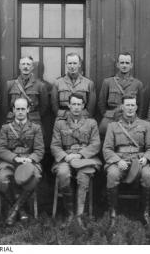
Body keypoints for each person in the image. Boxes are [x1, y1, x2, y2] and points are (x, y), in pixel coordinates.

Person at [51, 93, 101, 229]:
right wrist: (65, 156)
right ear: (69, 105)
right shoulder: (60, 122)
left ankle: (79, 216)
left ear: (83, 106)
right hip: (65, 158)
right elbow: (55, 145)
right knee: (63, 174)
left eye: (79, 104)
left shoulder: (91, 123)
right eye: (74, 104)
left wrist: (80, 155)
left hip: (84, 159)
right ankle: (69, 214)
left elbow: (95, 144)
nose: (76, 107)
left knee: (83, 176)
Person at [103, 94, 150, 226]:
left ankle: (145, 213)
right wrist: (117, 161)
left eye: (133, 105)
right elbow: (107, 149)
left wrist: (146, 158)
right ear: (122, 107)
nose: (130, 108)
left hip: (139, 161)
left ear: (136, 107)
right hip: (120, 161)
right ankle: (113, 214)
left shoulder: (145, 125)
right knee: (112, 174)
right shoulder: (113, 126)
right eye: (127, 105)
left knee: (147, 174)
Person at [0, 98, 44, 226]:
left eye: (23, 109)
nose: (20, 112)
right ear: (13, 110)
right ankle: (20, 210)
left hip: (29, 161)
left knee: (35, 177)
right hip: (9, 161)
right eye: (18, 109)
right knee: (2, 179)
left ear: (28, 109)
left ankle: (14, 210)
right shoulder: (6, 128)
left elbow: (39, 150)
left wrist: (30, 159)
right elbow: (0, 149)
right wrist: (15, 158)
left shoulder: (35, 128)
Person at [98, 52, 144, 137]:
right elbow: (101, 103)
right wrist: (108, 115)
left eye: (127, 63)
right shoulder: (108, 82)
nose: (124, 65)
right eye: (122, 63)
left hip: (130, 120)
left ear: (131, 65)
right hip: (112, 119)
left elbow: (140, 106)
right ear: (117, 65)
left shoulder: (137, 84)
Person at [51, 52, 96, 119]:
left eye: (75, 63)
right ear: (66, 64)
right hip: (63, 119)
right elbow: (54, 106)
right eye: (69, 63)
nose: (72, 66)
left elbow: (91, 108)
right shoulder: (57, 83)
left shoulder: (88, 83)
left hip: (83, 120)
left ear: (79, 64)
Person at [5, 56, 48, 124]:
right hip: (14, 121)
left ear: (32, 67)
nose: (25, 66)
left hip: (33, 122)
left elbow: (44, 107)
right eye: (23, 64)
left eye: (28, 64)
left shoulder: (40, 85)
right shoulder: (10, 84)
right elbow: (6, 105)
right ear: (19, 66)